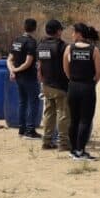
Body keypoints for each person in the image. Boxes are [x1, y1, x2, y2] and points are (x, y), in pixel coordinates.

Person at [63, 23, 100, 160]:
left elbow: (66, 69)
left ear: (79, 34)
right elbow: (98, 72)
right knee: (85, 120)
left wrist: (73, 80)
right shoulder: (94, 50)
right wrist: (92, 84)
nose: (72, 35)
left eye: (73, 32)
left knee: (74, 120)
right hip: (87, 87)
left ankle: (73, 150)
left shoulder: (69, 48)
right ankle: (81, 150)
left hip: (73, 86)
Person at [37, 19, 71, 152]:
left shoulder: (41, 45)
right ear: (58, 31)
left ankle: (46, 141)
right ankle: (63, 143)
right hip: (60, 85)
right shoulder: (62, 46)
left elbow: (39, 66)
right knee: (63, 114)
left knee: (49, 113)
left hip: (46, 84)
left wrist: (42, 80)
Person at [7, 18, 42, 139]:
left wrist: (12, 70)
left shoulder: (17, 40)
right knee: (34, 103)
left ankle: (22, 129)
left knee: (22, 103)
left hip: (19, 78)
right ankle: (30, 130)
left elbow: (9, 59)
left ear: (24, 27)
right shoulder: (31, 42)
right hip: (29, 77)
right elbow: (28, 63)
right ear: (35, 28)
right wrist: (15, 70)